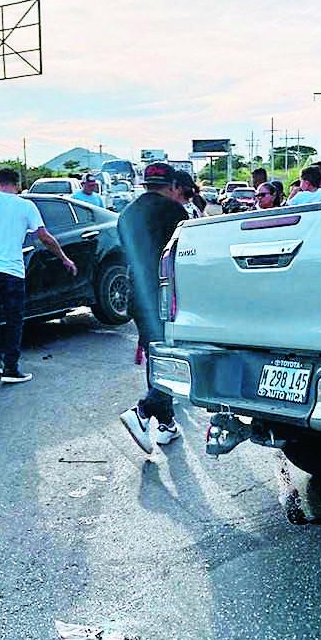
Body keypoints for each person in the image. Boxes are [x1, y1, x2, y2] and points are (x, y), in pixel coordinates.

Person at [0, 167, 78, 385]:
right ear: (18, 184)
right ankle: (11, 369)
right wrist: (64, 258)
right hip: (13, 271)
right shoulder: (26, 205)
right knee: (14, 321)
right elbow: (44, 237)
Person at [118, 162, 187, 454]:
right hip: (166, 295)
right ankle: (143, 411)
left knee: (156, 356)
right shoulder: (175, 212)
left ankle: (166, 424)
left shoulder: (126, 214)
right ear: (171, 186)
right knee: (174, 358)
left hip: (137, 294)